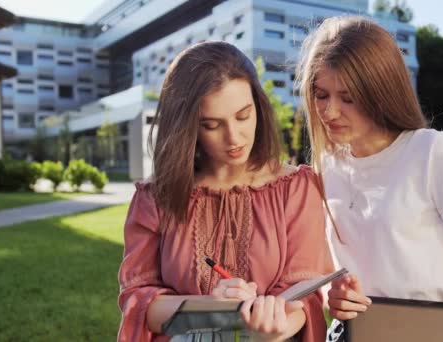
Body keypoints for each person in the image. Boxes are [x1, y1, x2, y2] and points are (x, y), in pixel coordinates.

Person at [296, 16, 443, 341]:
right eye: (321, 95)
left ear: (380, 91)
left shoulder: (432, 152)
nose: (330, 111)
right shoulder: (327, 167)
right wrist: (334, 296)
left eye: (347, 97)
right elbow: (330, 277)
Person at [117, 41, 330, 342]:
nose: (234, 138)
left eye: (243, 116)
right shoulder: (155, 198)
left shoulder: (295, 189)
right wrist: (213, 308)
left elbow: (304, 298)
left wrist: (272, 328)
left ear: (258, 105)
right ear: (186, 128)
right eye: (212, 125)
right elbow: (139, 305)